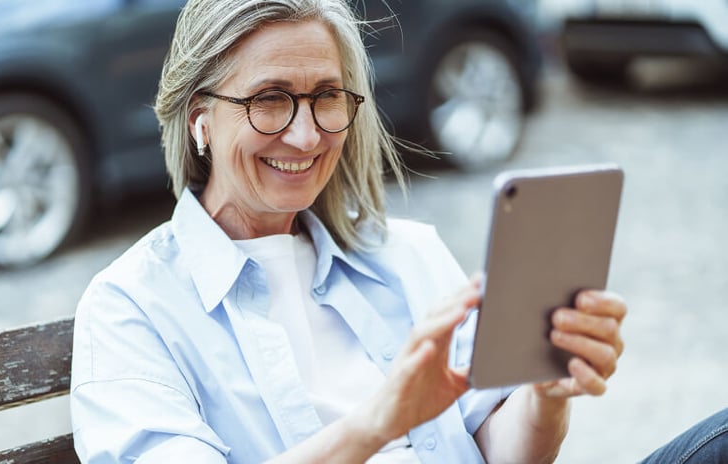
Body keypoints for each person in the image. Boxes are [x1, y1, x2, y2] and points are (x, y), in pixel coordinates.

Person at [69, 0, 725, 462]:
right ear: (199, 119)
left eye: (327, 96)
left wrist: (546, 389)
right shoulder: (132, 307)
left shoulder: (406, 254)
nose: (306, 134)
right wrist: (382, 422)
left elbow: (507, 453)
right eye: (270, 99)